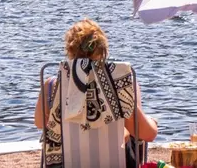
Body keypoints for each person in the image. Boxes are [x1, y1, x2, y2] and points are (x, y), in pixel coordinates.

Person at [36, 19, 158, 168]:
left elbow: (40, 123)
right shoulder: (122, 85)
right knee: (136, 129)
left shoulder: (51, 86)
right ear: (102, 50)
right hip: (116, 163)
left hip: (66, 164)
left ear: (70, 49)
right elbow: (148, 134)